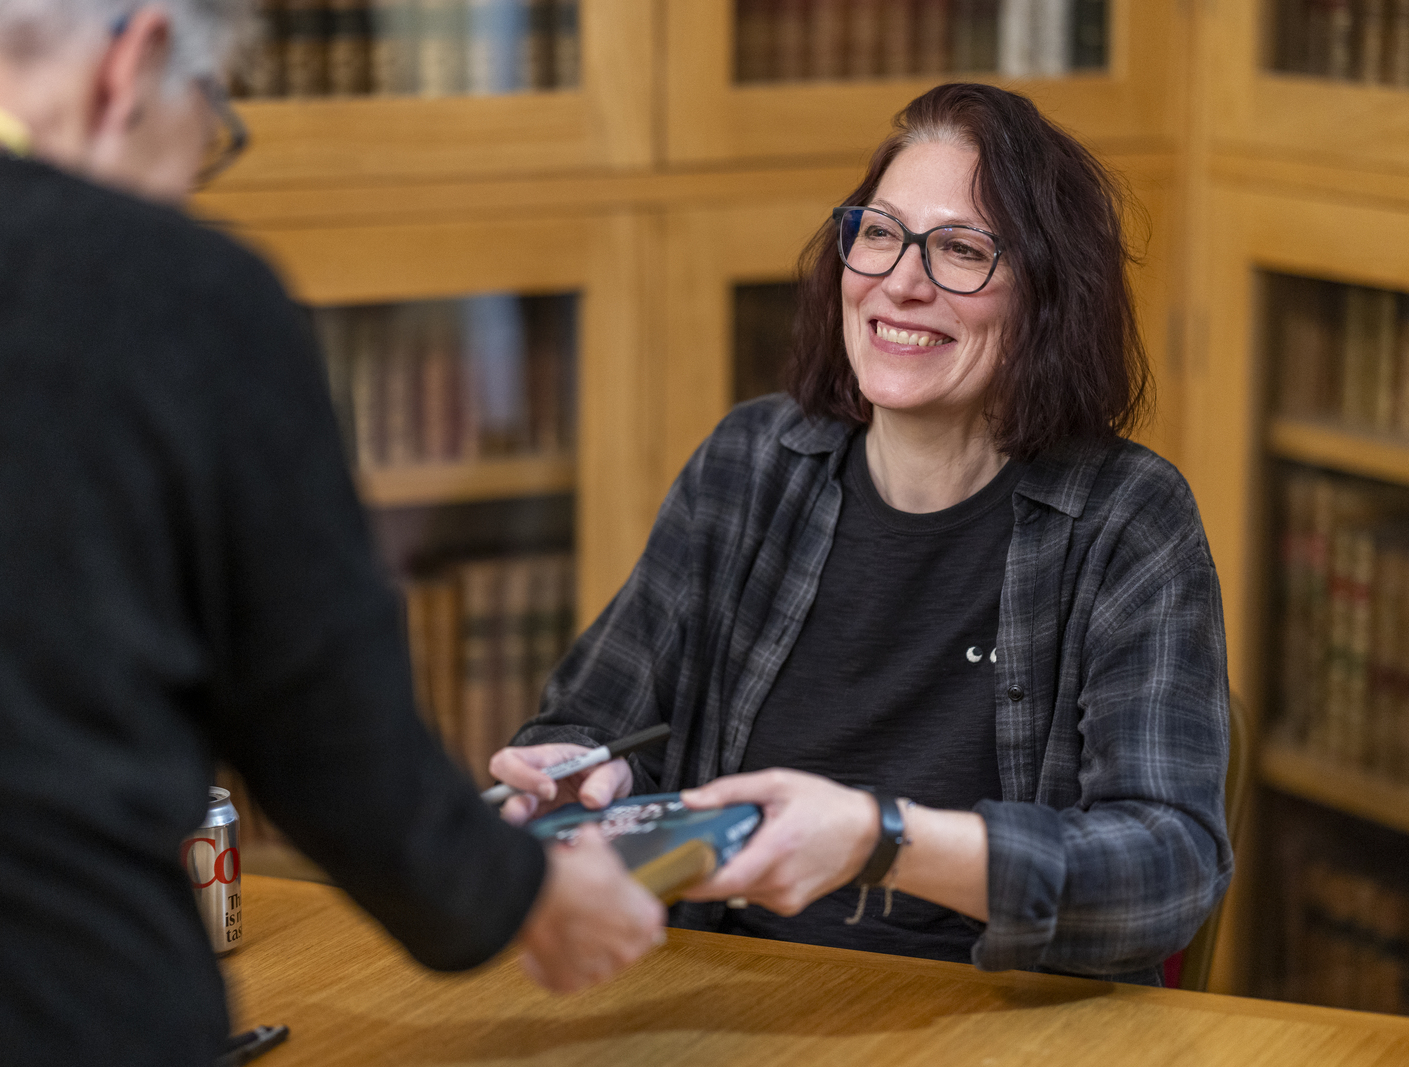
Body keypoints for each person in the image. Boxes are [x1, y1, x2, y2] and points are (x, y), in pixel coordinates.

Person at [0, 2, 666, 1065]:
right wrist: (529, 896)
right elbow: (326, 740)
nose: (194, 174)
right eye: (210, 122)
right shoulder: (181, 292)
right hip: (35, 999)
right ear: (137, 60)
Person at [492, 82, 1234, 985]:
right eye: (879, 233)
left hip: (995, 1016)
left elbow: (1169, 866)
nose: (901, 282)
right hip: (717, 993)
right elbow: (590, 721)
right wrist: (582, 777)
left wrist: (881, 840)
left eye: (960, 249)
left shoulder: (1130, 519)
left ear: (1049, 297)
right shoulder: (750, 462)